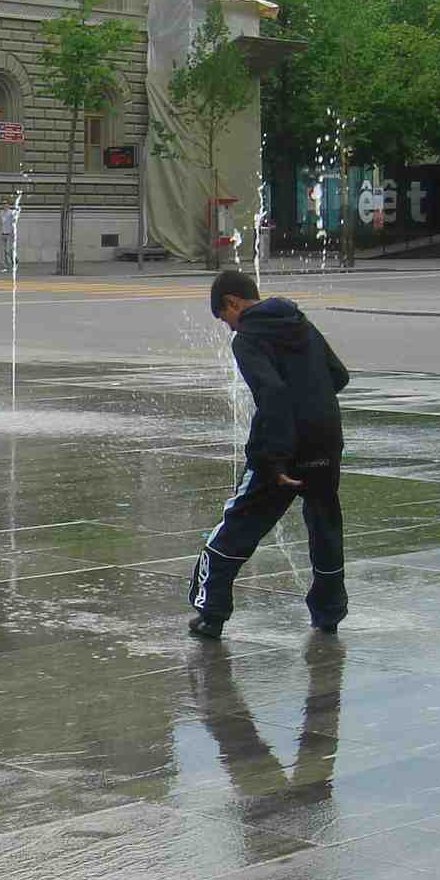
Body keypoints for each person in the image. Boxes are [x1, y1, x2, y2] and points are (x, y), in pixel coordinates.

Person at [188, 270, 351, 640]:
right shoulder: (300, 323)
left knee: (239, 522)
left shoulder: (248, 338)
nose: (229, 327)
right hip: (326, 441)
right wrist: (312, 402)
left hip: (284, 448)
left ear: (231, 303)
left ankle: (211, 612)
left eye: (225, 319)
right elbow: (339, 376)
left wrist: (275, 457)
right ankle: (329, 613)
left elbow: (273, 394)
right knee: (325, 525)